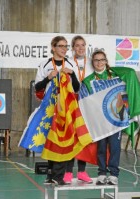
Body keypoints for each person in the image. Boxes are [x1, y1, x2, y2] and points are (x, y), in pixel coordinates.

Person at [34, 36, 80, 186]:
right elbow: (37, 87)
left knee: (63, 139)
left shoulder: (71, 64)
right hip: (50, 107)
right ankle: (51, 174)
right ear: (53, 47)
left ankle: (58, 175)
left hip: (65, 108)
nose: (63, 49)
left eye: (66, 46)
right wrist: (48, 78)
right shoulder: (45, 64)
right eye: (60, 46)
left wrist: (72, 75)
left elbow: (77, 87)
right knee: (51, 140)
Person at [83, 50, 122, 185]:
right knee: (101, 147)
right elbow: (85, 101)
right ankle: (102, 173)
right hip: (99, 121)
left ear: (106, 61)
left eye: (102, 60)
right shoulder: (88, 81)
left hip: (115, 120)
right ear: (92, 63)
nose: (99, 62)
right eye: (96, 60)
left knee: (115, 146)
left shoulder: (116, 76)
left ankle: (114, 174)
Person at [63, 35, 93, 184]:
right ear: (73, 47)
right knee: (71, 138)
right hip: (72, 104)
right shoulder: (68, 63)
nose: (80, 48)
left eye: (83, 45)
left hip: (87, 105)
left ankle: (81, 171)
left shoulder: (92, 64)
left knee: (84, 139)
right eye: (77, 45)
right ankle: (68, 172)